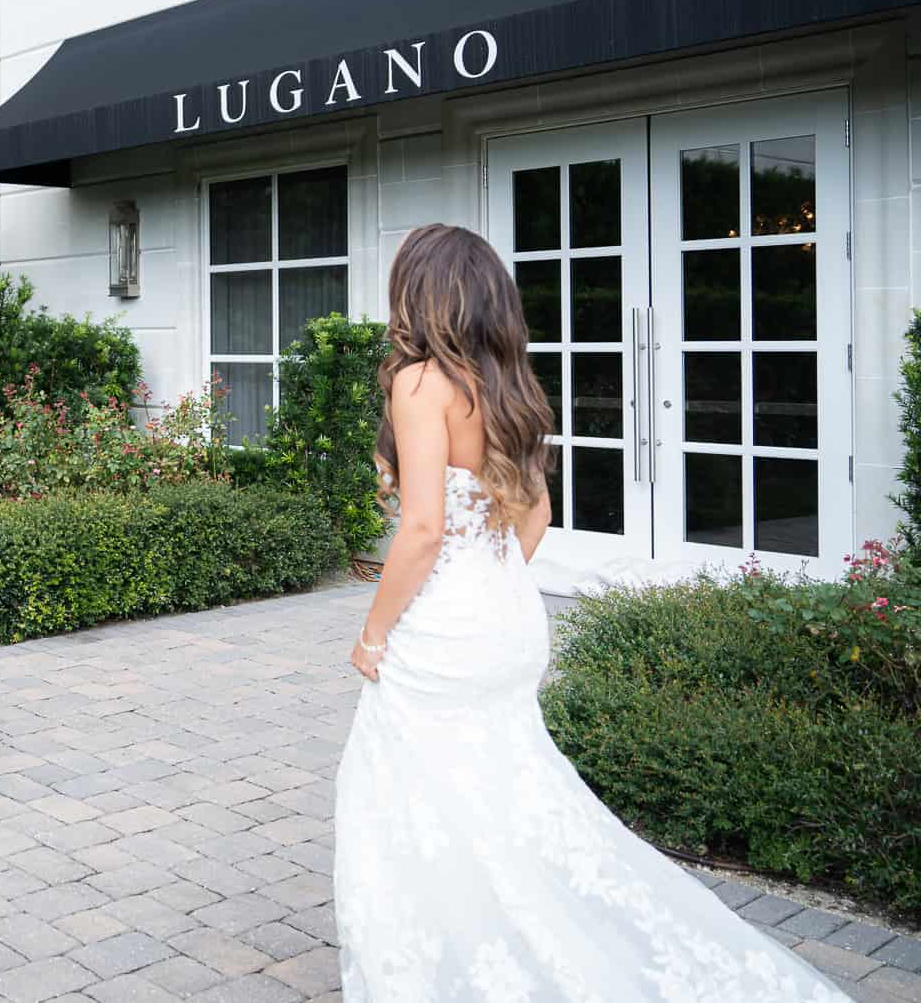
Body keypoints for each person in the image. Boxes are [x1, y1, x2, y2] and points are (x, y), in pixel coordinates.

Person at [332, 224, 844, 1000]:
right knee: (500, 786)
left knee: (406, 785)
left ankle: (449, 960)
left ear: (421, 295)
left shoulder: (420, 381)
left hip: (445, 634)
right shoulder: (508, 385)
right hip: (507, 619)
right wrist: (489, 582)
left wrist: (373, 633)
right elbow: (536, 515)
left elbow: (424, 528)